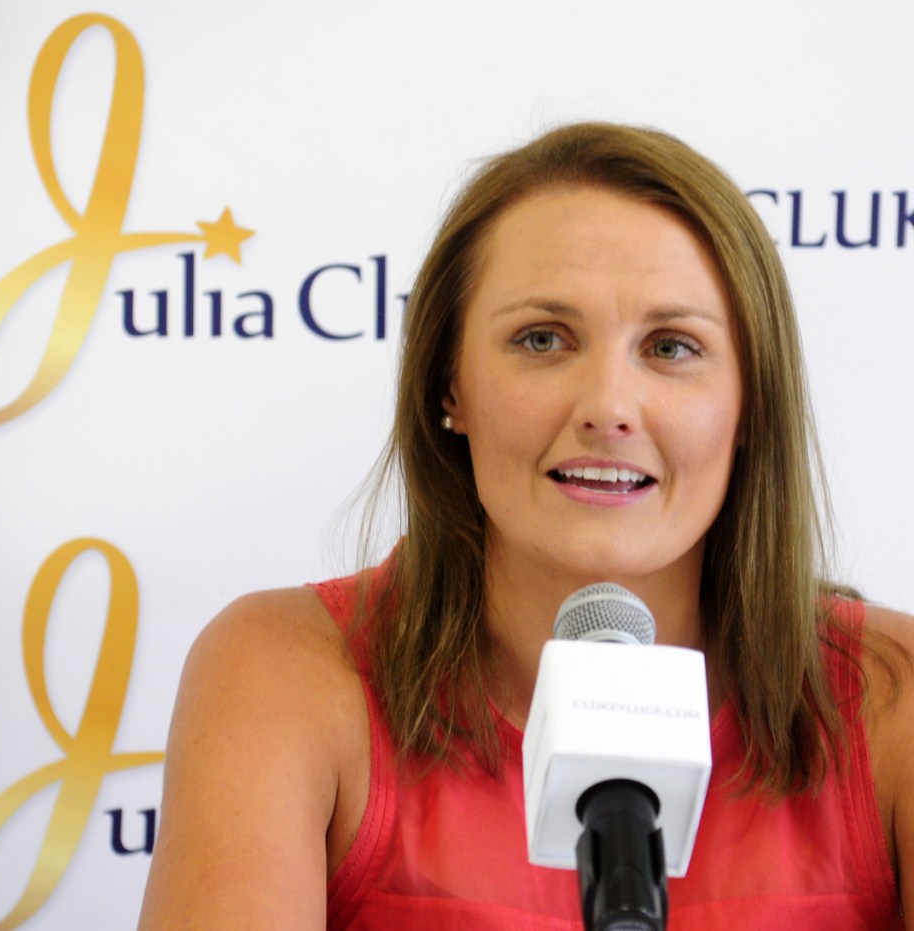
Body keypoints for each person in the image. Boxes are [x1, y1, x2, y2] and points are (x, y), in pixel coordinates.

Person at [138, 123, 913, 929]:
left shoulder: (895, 699)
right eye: (543, 339)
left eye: (672, 347)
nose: (608, 407)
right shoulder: (285, 673)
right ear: (450, 385)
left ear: (751, 401)